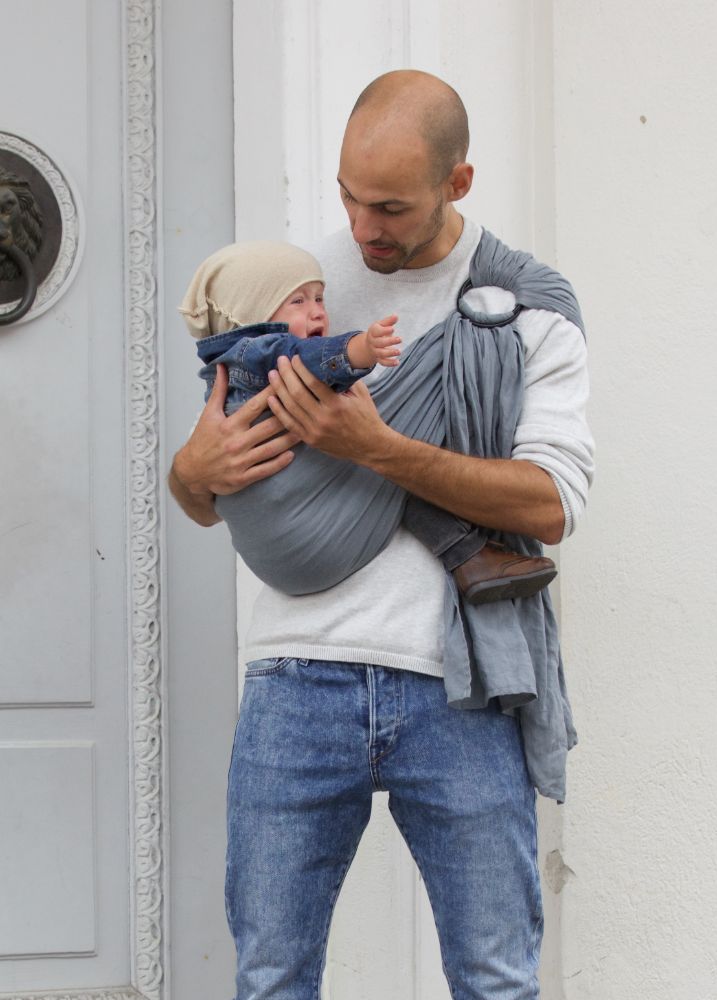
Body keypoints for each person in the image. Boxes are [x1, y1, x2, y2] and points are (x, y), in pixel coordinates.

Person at [169, 70, 594, 1000]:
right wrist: (192, 475)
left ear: (460, 182)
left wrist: (379, 448)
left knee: (495, 979)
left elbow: (552, 502)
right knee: (272, 977)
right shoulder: (292, 288)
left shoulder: (527, 306)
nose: (365, 229)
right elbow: (206, 487)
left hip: (464, 686)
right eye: (350, 198)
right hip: (295, 675)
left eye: (391, 206)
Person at [180, 239, 558, 602]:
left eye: (319, 299)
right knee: (391, 479)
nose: (316, 311)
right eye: (298, 301)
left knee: (392, 477)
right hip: (293, 569)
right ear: (252, 312)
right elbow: (309, 357)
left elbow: (554, 511)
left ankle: (469, 557)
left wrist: (374, 446)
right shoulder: (258, 351)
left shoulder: (223, 366)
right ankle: (466, 553)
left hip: (301, 571)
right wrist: (360, 348)